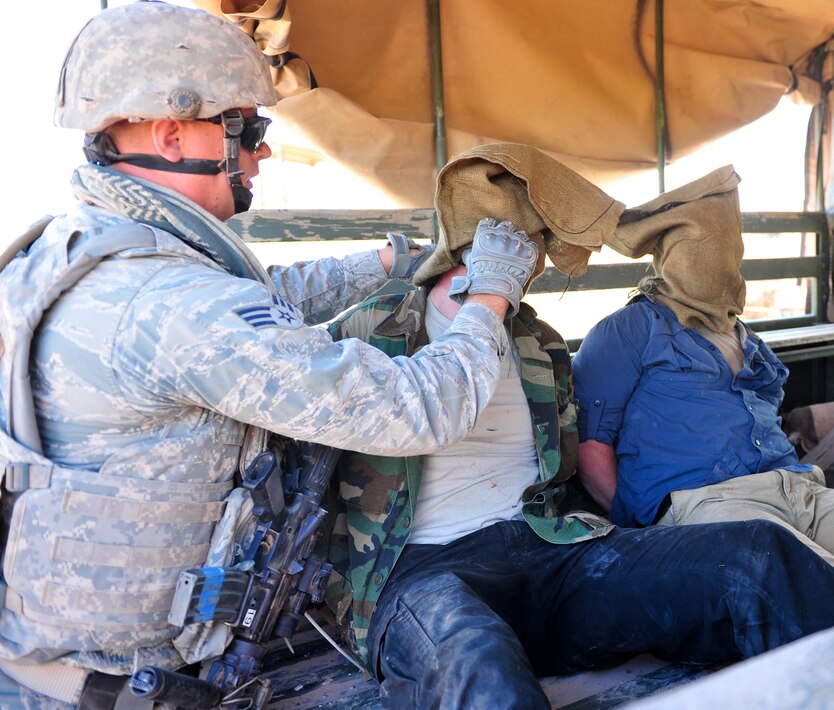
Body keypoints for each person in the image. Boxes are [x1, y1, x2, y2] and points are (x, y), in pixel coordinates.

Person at [0, 3, 543, 707]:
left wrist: (385, 261)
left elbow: (255, 298)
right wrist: (490, 297)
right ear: (170, 135)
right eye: (248, 130)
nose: (262, 154)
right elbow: (419, 409)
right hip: (134, 688)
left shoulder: (74, 255)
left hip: (53, 660)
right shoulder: (178, 306)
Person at [325, 234, 834, 707]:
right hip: (424, 569)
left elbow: (576, 458)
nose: (536, 258)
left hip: (545, 544)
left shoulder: (537, 341)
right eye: (525, 241)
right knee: (480, 664)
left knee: (757, 554)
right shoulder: (367, 327)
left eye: (538, 242)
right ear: (471, 246)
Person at [574, 167, 834, 606]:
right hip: (708, 503)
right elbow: (592, 449)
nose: (717, 261)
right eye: (700, 247)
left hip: (797, 487)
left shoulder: (746, 337)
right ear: (670, 255)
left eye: (728, 246)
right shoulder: (629, 330)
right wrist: (650, 535)